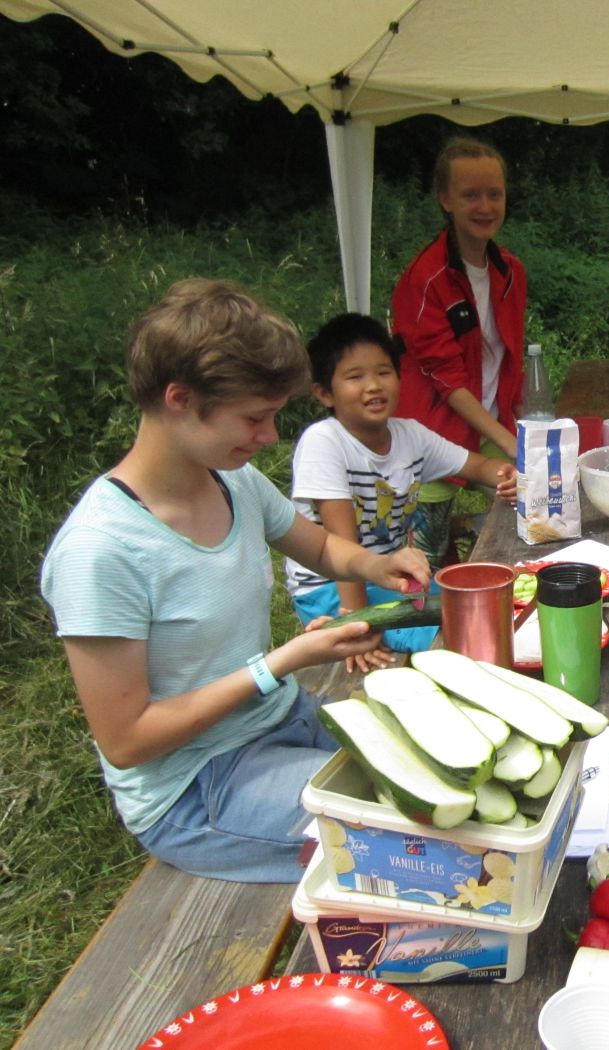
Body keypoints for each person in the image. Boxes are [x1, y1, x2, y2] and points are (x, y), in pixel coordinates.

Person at [39, 279, 431, 883]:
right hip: (197, 786)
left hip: (280, 718)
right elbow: (127, 741)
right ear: (179, 399)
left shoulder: (232, 480)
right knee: (422, 833)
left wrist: (376, 566)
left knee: (438, 774)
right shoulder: (101, 552)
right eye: (255, 417)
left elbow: (318, 545)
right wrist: (280, 663)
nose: (270, 437)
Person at [283, 312, 516, 670]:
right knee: (455, 634)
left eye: (383, 372)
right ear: (324, 393)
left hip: (389, 579)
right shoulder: (324, 442)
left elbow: (477, 465)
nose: (373, 386)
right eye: (355, 377)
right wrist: (356, 624)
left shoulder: (410, 435)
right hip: (331, 591)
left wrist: (505, 475)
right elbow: (340, 547)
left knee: (491, 603)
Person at [391, 135, 525, 566]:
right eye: (470, 195)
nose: (485, 206)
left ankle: (489, 571)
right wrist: (511, 442)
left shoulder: (510, 271)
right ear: (445, 199)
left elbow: (509, 359)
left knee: (531, 519)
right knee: (424, 559)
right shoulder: (426, 279)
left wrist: (519, 427)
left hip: (492, 425)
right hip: (431, 435)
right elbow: (447, 380)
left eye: (494, 194)